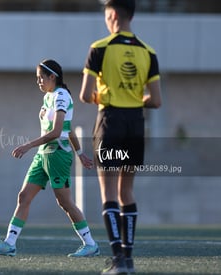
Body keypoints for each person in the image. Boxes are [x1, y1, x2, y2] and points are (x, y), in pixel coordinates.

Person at [0, 59, 99, 257]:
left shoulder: (61, 96)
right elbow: (68, 130)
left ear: (52, 77)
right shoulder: (48, 97)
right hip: (43, 155)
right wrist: (80, 153)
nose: (38, 82)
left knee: (65, 202)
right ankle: (10, 243)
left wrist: (28, 145)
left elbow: (59, 131)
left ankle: (90, 244)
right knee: (24, 196)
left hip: (57, 155)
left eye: (41, 78)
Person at [79, 0, 162, 274]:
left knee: (109, 193)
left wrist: (105, 96)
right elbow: (157, 101)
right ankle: (129, 258)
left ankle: (118, 261)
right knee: (127, 192)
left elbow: (85, 94)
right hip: (136, 124)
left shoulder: (99, 48)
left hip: (110, 122)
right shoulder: (149, 52)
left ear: (112, 14)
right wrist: (134, 98)